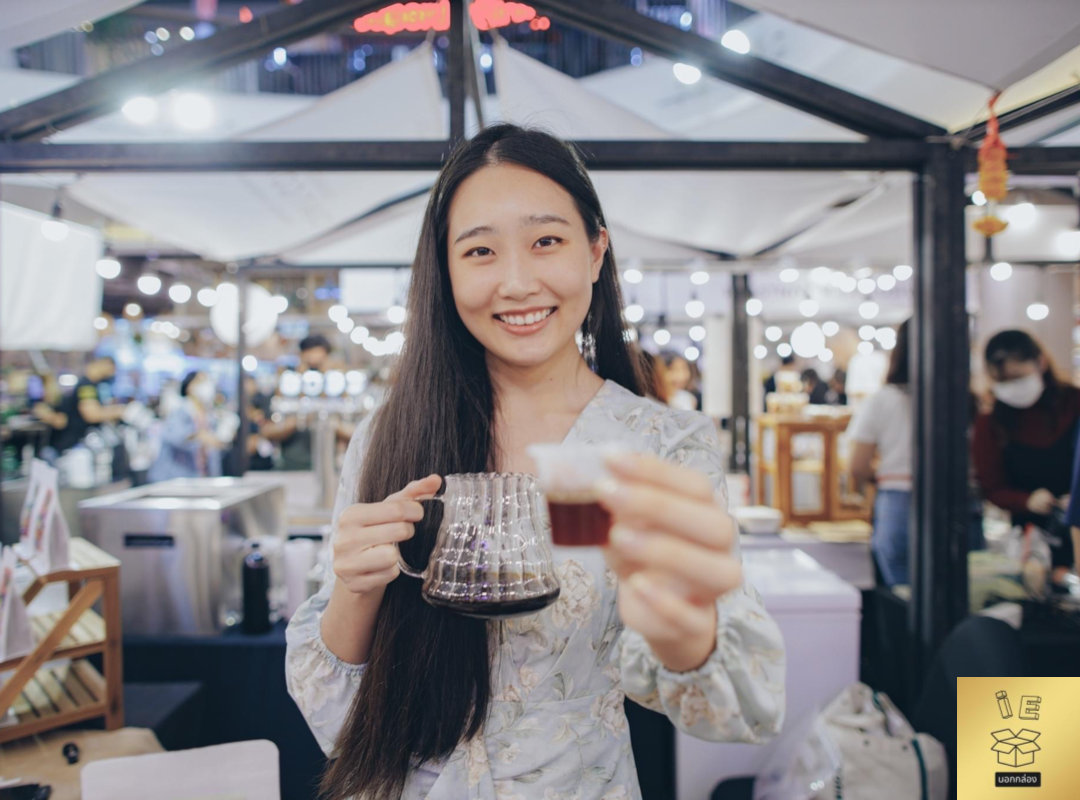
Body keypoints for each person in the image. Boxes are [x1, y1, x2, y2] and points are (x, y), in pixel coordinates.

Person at [285, 124, 784, 800]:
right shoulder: (392, 433)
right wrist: (355, 586)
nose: (517, 283)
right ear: (445, 271)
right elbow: (331, 706)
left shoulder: (657, 445)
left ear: (596, 251)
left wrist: (686, 629)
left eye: (546, 241)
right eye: (480, 251)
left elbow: (741, 705)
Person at [972, 330, 1079, 577]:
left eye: (1018, 377)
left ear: (1041, 363)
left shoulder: (1073, 403)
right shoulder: (991, 423)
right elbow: (991, 487)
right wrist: (1027, 500)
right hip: (1029, 540)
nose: (1011, 387)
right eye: (1002, 381)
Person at [848, 321, 911, 586]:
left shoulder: (883, 399)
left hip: (897, 496)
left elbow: (858, 465)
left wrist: (882, 474)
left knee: (901, 590)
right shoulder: (962, 398)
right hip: (954, 499)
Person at [147, 371, 225, 482]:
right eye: (200, 381)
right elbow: (174, 437)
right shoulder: (178, 411)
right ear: (189, 386)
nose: (206, 385)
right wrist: (197, 435)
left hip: (200, 478)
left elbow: (213, 452)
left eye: (206, 381)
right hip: (175, 479)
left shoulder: (209, 415)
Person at [50, 355, 129, 453]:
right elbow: (91, 415)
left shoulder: (93, 385)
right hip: (74, 445)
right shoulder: (86, 385)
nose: (110, 374)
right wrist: (121, 411)